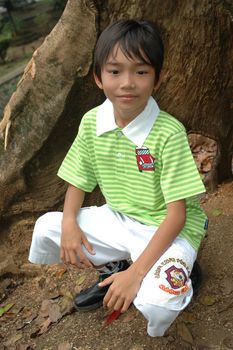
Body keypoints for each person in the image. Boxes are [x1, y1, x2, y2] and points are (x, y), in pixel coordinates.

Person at [29, 19, 208, 337]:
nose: (127, 83)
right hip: (121, 218)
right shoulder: (92, 122)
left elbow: (177, 215)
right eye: (115, 71)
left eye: (141, 72)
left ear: (158, 78)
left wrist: (137, 276)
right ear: (98, 77)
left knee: (157, 304)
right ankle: (118, 268)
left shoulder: (168, 133)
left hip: (167, 228)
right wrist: (70, 221)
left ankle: (181, 270)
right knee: (47, 228)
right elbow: (78, 177)